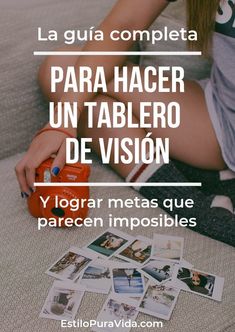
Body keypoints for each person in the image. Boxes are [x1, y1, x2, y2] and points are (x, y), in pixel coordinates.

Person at [15, 0, 235, 245]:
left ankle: (204, 188)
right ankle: (189, 201)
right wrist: (61, 122)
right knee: (61, 69)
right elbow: (122, 25)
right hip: (219, 117)